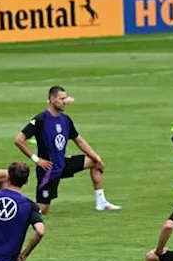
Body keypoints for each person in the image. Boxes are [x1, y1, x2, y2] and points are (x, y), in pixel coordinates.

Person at [13, 86, 116, 214]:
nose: (65, 101)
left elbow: (79, 140)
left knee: (94, 162)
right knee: (42, 210)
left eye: (65, 98)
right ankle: (17, 208)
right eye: (62, 99)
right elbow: (19, 139)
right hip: (48, 170)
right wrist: (37, 159)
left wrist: (97, 158)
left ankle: (101, 202)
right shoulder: (41, 119)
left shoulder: (65, 119)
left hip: (62, 164)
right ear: (52, 99)